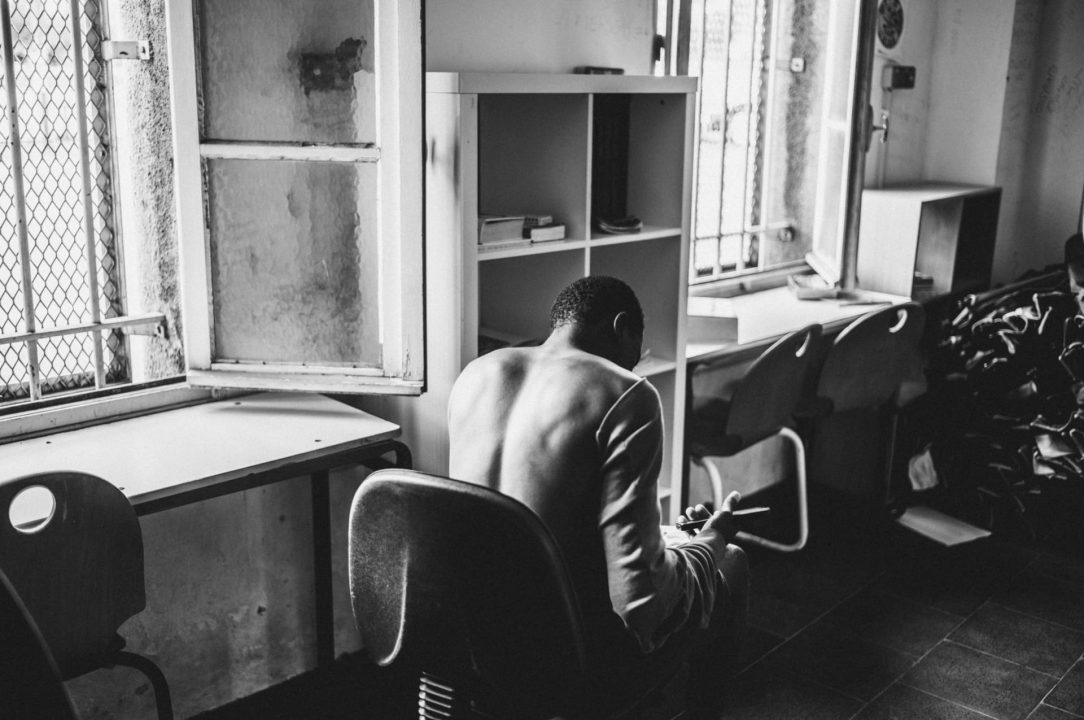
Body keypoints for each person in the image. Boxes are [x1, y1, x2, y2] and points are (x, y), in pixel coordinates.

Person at [447, 275, 749, 716]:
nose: (635, 367)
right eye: (637, 354)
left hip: (471, 634)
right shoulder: (627, 394)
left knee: (677, 544)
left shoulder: (478, 373)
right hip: (566, 648)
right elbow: (639, 601)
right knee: (733, 563)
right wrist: (712, 539)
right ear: (621, 326)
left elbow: (537, 516)